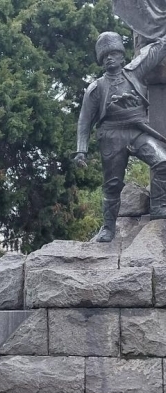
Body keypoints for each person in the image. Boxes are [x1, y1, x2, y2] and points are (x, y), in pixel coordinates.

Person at [75, 32, 166, 240]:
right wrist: (81, 150)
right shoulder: (96, 88)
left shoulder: (134, 73)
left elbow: (155, 52)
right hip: (112, 135)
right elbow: (84, 121)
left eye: (113, 53)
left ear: (121, 56)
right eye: (105, 56)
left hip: (136, 131)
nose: (109, 58)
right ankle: (108, 228)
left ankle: (159, 207)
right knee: (112, 184)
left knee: (162, 162)